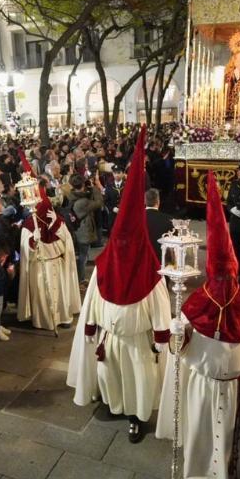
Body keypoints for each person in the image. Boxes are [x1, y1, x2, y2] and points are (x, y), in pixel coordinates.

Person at [156, 171, 240, 479]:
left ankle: (234, 476)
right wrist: (177, 333)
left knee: (233, 436)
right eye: (221, 278)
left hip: (239, 387)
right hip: (203, 384)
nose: (225, 285)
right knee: (202, 436)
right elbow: (178, 351)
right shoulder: (193, 305)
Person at [70, 128, 171, 442]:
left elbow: (160, 308)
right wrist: (90, 327)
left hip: (138, 341)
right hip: (111, 338)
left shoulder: (149, 272)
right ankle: (115, 404)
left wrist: (161, 338)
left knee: (139, 380)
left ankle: (137, 417)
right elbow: (92, 301)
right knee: (110, 376)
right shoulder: (104, 267)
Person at [17, 185, 81, 331]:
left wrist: (55, 225)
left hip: (57, 264)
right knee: (43, 295)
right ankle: (44, 321)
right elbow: (25, 251)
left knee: (60, 294)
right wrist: (33, 241)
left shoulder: (58, 220)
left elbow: (68, 243)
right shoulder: (29, 225)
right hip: (40, 266)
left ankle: (63, 318)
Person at [65, 172, 105, 283]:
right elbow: (99, 203)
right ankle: (81, 279)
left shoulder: (71, 195)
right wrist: (95, 187)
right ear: (83, 185)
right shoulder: (83, 202)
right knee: (84, 256)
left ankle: (79, 277)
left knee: (82, 255)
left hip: (77, 230)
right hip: (82, 232)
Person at [145, 187, 174, 261]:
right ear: (158, 202)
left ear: (145, 201)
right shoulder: (168, 219)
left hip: (141, 261)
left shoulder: (136, 218)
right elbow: (174, 244)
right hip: (161, 261)